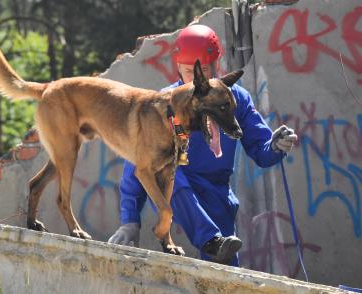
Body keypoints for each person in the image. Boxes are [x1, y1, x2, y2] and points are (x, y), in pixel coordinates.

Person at [108, 24, 298, 266]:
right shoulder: (164, 104)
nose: (196, 80)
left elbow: (261, 151)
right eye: (189, 72)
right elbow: (138, 162)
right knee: (168, 171)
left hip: (217, 189)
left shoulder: (235, 98)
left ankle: (217, 247)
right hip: (177, 185)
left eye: (204, 71)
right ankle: (210, 239)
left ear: (217, 66)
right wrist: (130, 220)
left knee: (225, 264)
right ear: (177, 67)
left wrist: (276, 146)